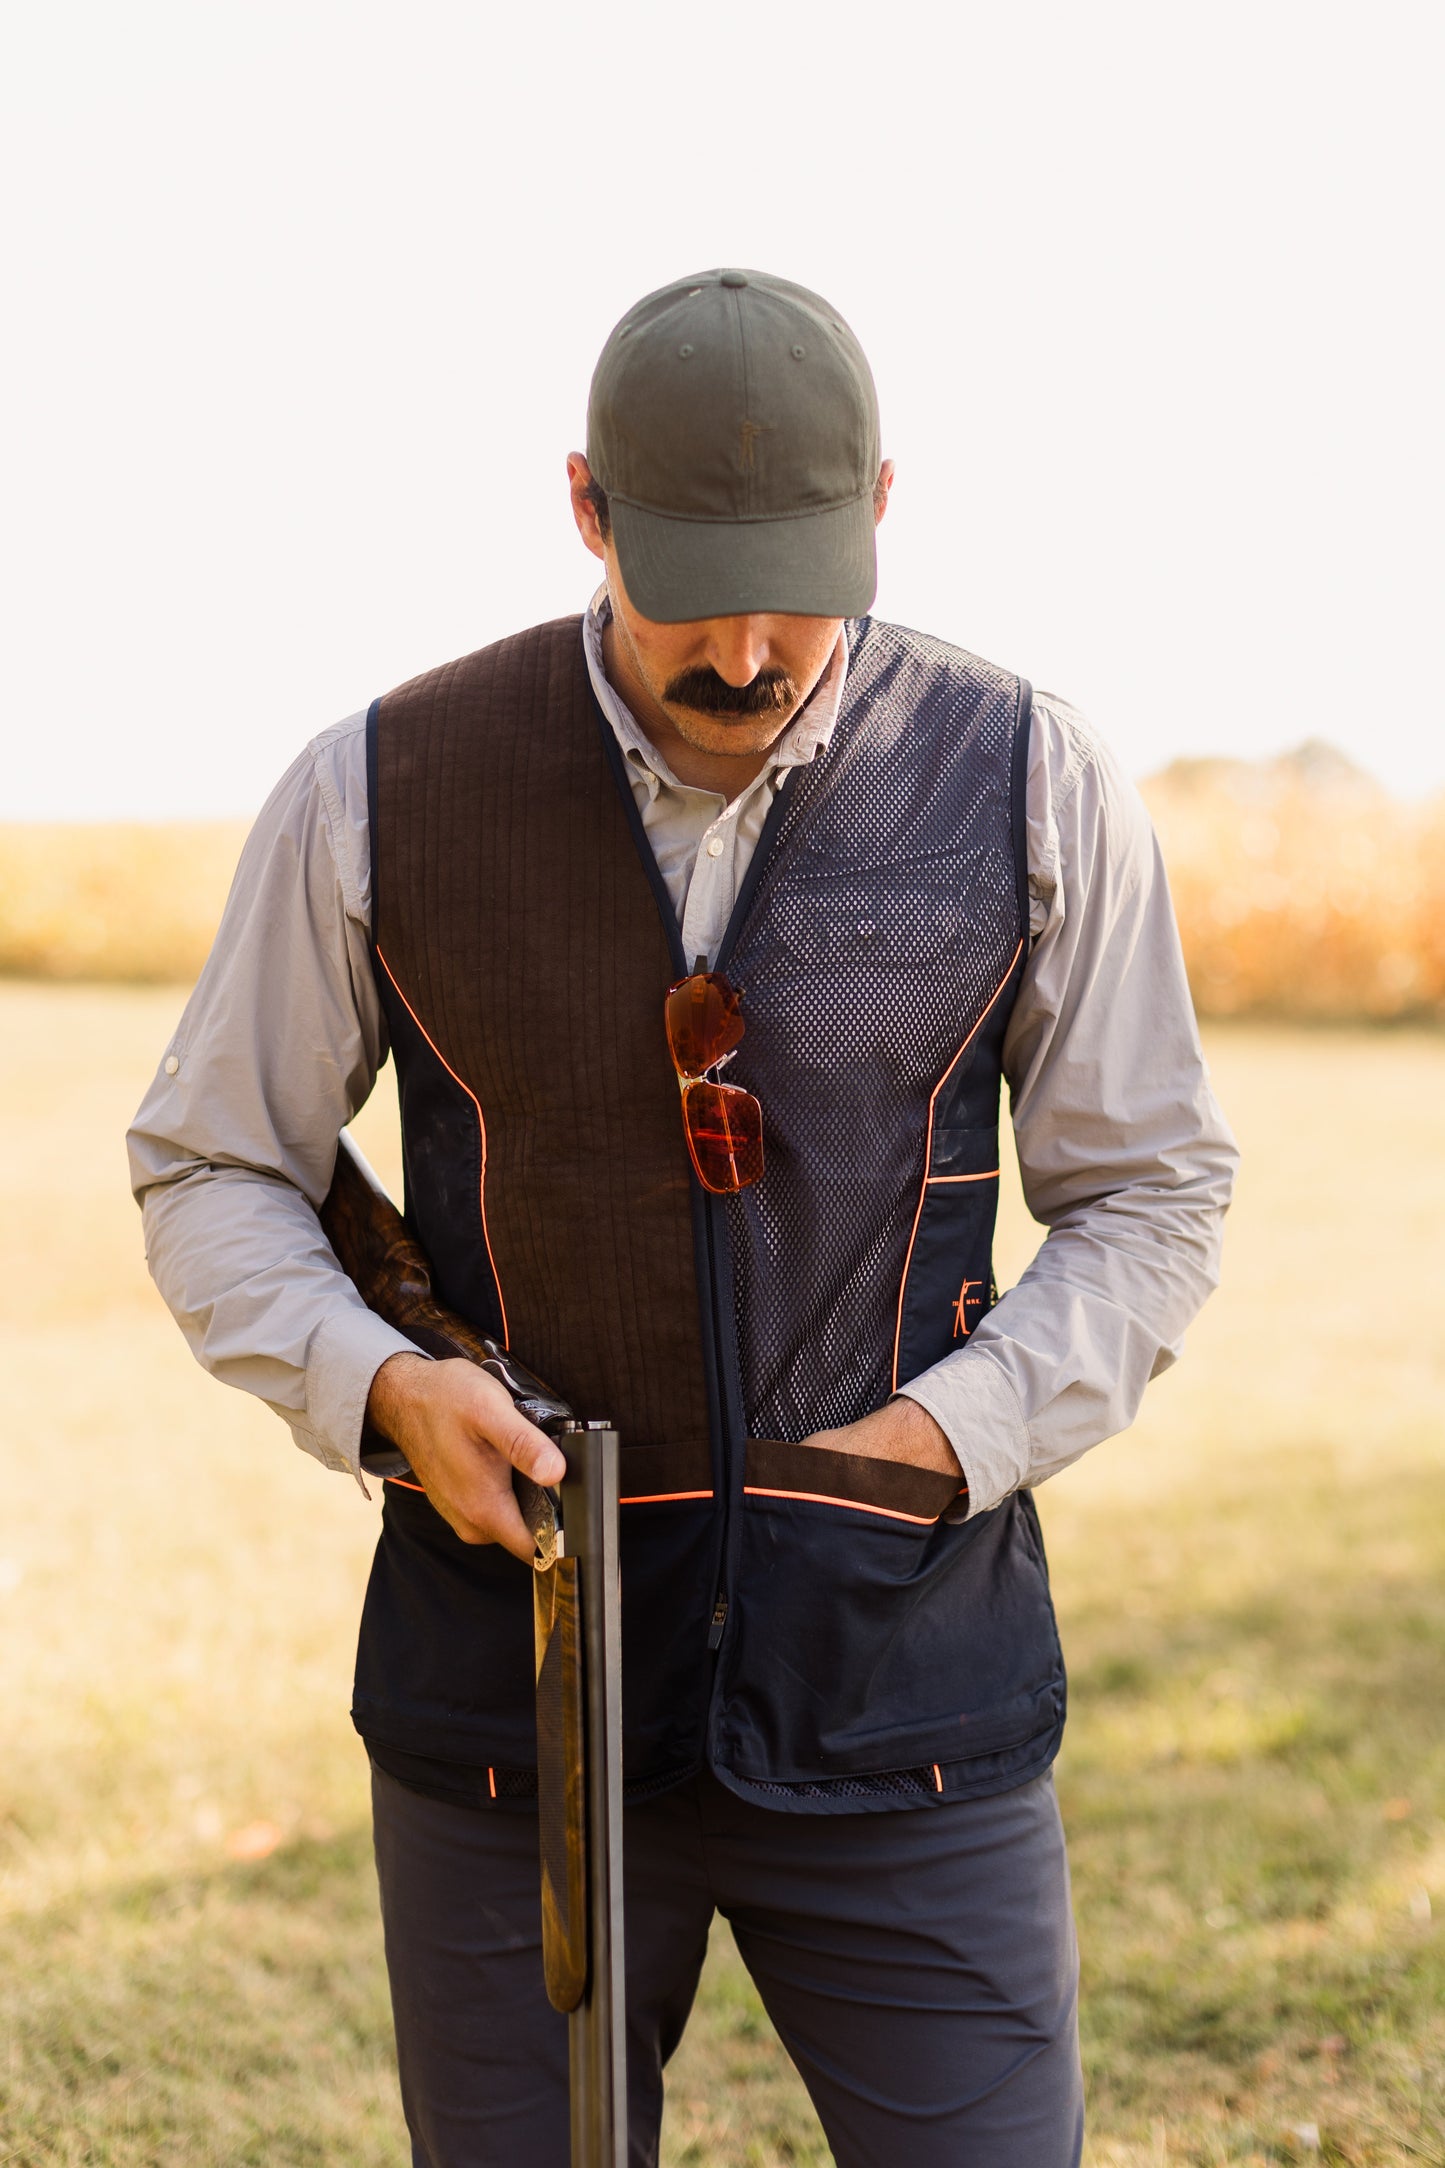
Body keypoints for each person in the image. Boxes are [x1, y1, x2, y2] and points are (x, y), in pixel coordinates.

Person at [128, 267, 1237, 2168]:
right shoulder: (371, 789)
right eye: (687, 584)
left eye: (796, 582)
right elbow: (214, 1159)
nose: (743, 647)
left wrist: (940, 1446)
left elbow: (1152, 1188)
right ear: (583, 509)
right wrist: (379, 1389)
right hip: (507, 1709)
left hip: (912, 1704)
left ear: (883, 502)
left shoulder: (1036, 776)